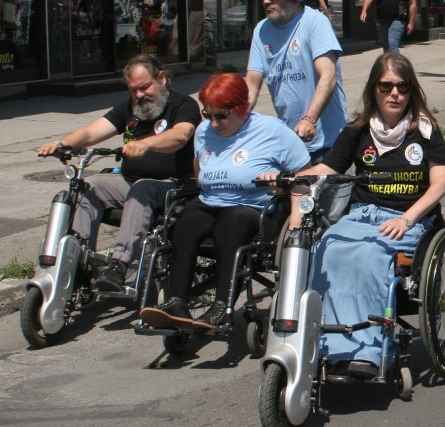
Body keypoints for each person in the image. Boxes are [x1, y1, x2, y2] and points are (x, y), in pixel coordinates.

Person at [292, 53, 445, 377]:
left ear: (411, 91)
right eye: (386, 85)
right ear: (373, 89)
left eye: (402, 87)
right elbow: (327, 169)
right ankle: (329, 346)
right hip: (362, 213)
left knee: (370, 254)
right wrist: (294, 177)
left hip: (410, 219)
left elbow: (440, 184)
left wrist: (407, 219)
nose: (394, 93)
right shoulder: (357, 131)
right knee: (327, 247)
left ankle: (369, 350)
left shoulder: (425, 130)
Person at [140, 73, 311, 328]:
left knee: (231, 223)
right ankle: (177, 301)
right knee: (184, 222)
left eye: (221, 115)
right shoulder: (203, 132)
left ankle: (222, 305)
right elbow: (199, 172)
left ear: (241, 108)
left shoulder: (271, 131)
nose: (214, 122)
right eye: (208, 115)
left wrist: (281, 181)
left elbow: (306, 173)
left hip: (253, 205)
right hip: (210, 200)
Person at [37, 55, 200, 293]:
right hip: (129, 182)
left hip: (172, 186)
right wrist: (61, 143)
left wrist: (146, 144)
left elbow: (181, 135)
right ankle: (80, 262)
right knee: (88, 185)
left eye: (145, 87)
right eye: (134, 90)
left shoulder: (183, 105)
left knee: (142, 187)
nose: (140, 95)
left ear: (162, 78)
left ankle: (119, 264)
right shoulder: (129, 109)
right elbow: (92, 132)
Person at [245, 0, 347, 165]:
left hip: (328, 144)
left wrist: (309, 119)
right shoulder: (261, 30)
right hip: (291, 142)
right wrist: (233, 119)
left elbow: (328, 76)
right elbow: (251, 85)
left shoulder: (315, 22)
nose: (266, 1)